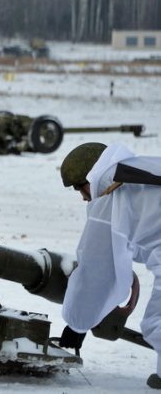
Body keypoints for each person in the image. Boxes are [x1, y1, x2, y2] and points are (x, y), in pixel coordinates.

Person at [57, 142, 161, 390]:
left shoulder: (112, 195)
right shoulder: (141, 172)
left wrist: (77, 323)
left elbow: (96, 270)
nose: (84, 199)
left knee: (157, 322)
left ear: (88, 180)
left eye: (80, 191)